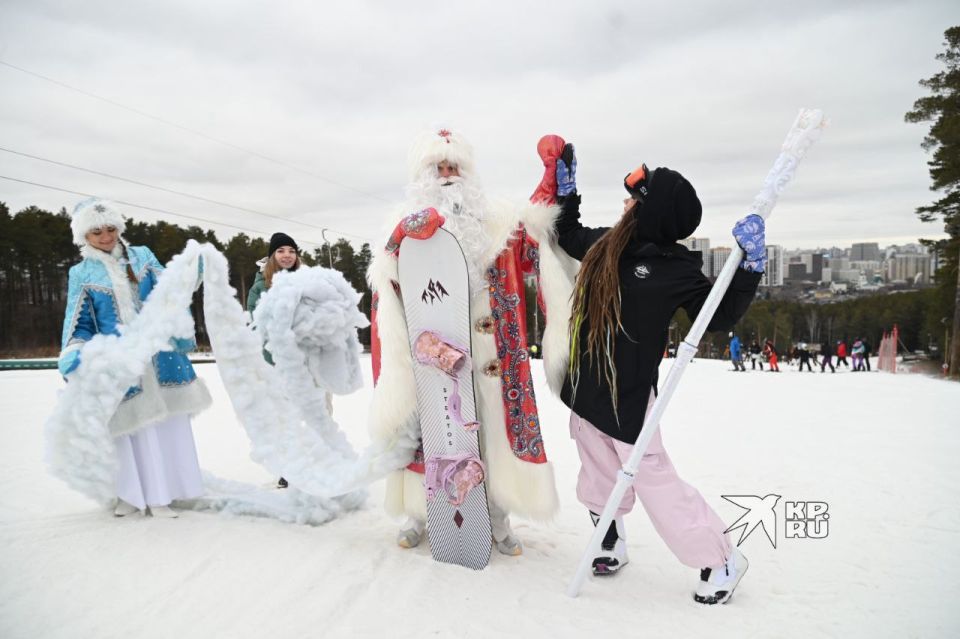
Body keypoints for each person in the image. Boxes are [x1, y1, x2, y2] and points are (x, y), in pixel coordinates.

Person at [552, 148, 761, 604]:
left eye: (634, 199)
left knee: (655, 483)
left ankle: (721, 558)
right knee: (597, 474)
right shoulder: (607, 245)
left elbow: (718, 315)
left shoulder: (675, 268)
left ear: (652, 211)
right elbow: (567, 234)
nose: (625, 204)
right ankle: (609, 541)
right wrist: (567, 194)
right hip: (587, 388)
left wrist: (749, 268)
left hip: (630, 399)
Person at [366, 129, 574, 555]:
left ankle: (497, 518)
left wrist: (554, 185)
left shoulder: (497, 222)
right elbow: (387, 281)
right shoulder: (402, 223)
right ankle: (420, 514)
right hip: (431, 352)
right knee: (426, 431)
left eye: (454, 167)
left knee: (493, 432)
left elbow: (535, 243)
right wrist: (400, 240)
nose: (447, 176)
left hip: (491, 353)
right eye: (438, 168)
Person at [58, 198, 210, 517]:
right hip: (119, 361)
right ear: (84, 235)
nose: (105, 236)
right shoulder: (81, 272)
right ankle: (130, 494)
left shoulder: (142, 256)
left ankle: (165, 493)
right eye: (97, 232)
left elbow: (169, 290)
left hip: (158, 354)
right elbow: (79, 320)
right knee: (128, 428)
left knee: (163, 424)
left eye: (110, 228)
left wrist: (190, 272)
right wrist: (75, 350)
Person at [247, 232, 316, 489]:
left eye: (291, 250)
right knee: (286, 416)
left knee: (315, 413)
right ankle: (290, 469)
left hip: (310, 361)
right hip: (279, 363)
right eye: (280, 251)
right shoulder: (260, 287)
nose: (287, 255)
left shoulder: (309, 281)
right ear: (272, 256)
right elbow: (257, 323)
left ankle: (319, 465)